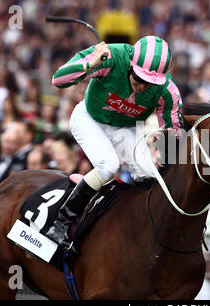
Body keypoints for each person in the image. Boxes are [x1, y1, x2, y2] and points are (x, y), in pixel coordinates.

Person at [48, 36, 182, 255]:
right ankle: (61, 223)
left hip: (124, 129)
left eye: (150, 82)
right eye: (139, 77)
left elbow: (174, 133)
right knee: (108, 165)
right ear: (131, 64)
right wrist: (90, 64)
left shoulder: (168, 91)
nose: (143, 86)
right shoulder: (110, 56)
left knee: (151, 176)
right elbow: (58, 79)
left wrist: (165, 156)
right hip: (89, 118)